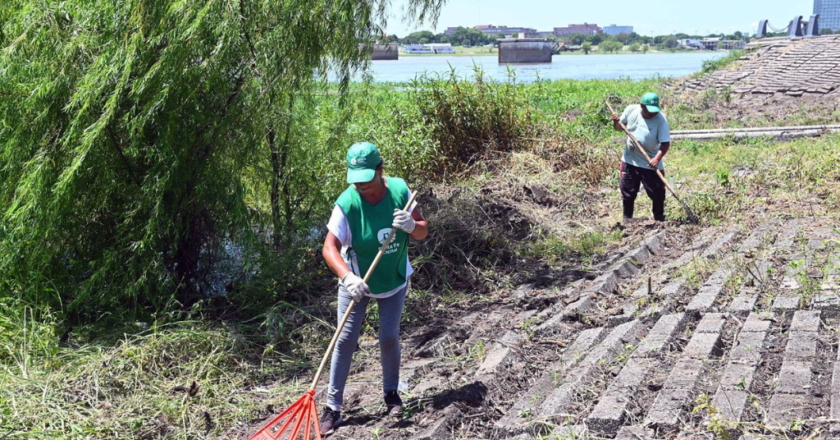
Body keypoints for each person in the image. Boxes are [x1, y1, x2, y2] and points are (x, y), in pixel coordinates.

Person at [319, 142, 428, 436]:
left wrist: (410, 225)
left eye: (367, 179)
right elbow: (330, 248)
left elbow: (422, 230)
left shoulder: (400, 190)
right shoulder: (347, 203)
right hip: (357, 282)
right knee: (344, 340)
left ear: (381, 170)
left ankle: (392, 394)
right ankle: (333, 408)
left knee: (389, 337)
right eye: (356, 180)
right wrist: (346, 277)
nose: (361, 186)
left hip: (392, 279)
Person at [610, 92, 671, 222]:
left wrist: (657, 159)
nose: (652, 114)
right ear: (642, 106)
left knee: (658, 192)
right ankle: (627, 219)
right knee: (628, 192)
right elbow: (618, 128)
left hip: (651, 162)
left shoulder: (661, 120)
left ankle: (659, 218)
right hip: (630, 160)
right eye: (649, 111)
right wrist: (616, 122)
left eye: (655, 111)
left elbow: (665, 143)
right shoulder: (631, 110)